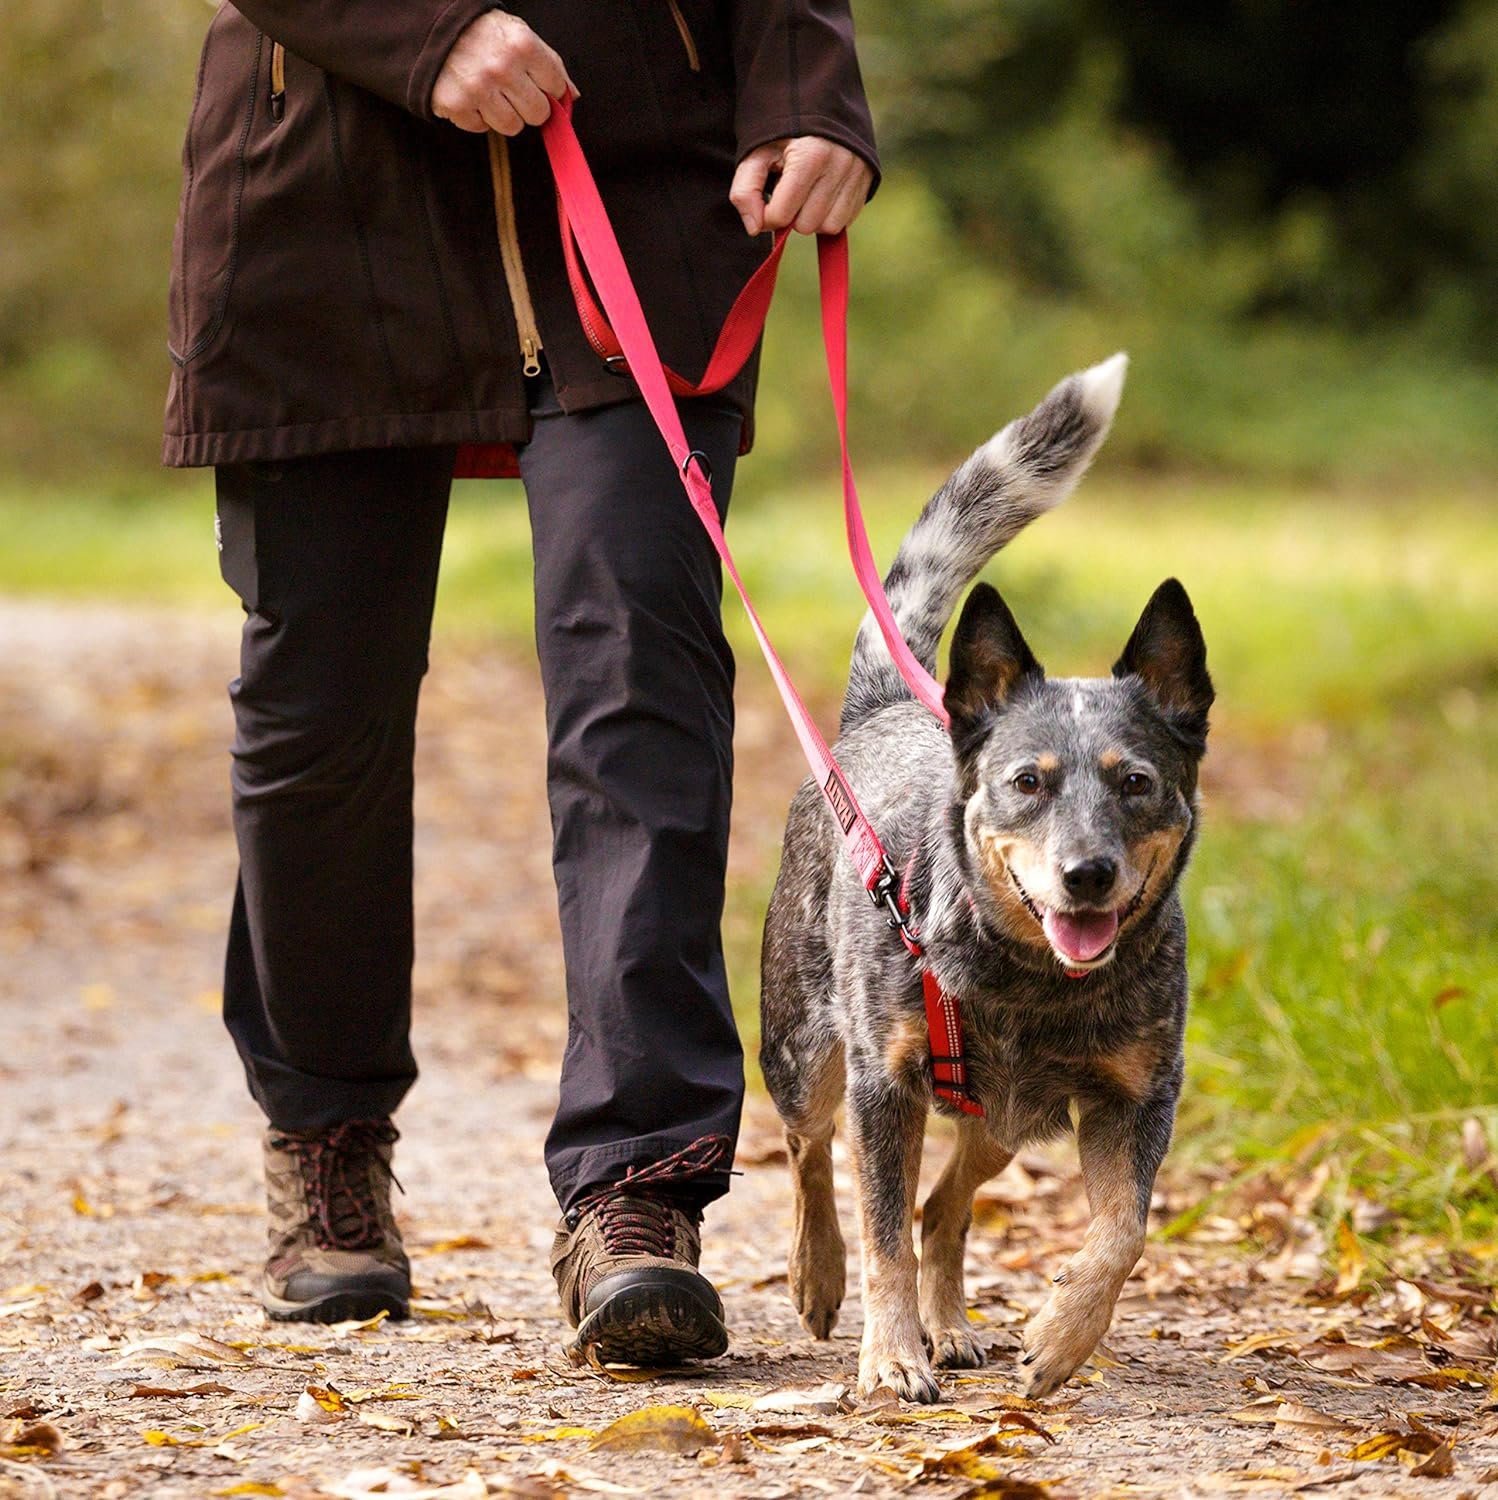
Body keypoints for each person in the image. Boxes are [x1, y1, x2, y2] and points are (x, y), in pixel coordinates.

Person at [163, 1, 878, 1364]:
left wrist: (805, 85)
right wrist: (421, 33)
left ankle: (638, 1186)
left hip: (637, 184)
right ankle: (328, 1140)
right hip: (322, 199)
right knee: (320, 713)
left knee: (641, 682)